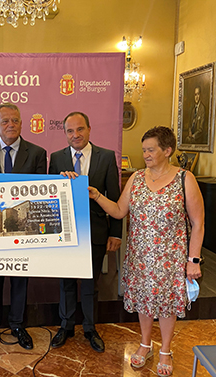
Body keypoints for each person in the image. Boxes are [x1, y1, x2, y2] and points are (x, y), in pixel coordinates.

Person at [88, 126, 204, 376]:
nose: (146, 155)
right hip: (140, 256)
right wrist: (97, 195)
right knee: (144, 302)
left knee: (167, 305)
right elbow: (119, 211)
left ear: (167, 150)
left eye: (151, 150)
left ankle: (165, 351)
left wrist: (193, 260)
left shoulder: (185, 179)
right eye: (144, 150)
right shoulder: (137, 178)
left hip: (171, 257)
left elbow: (198, 223)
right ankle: (144, 345)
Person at [0, 102, 47, 352]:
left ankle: (17, 325)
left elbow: (42, 194)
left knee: (20, 278)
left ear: (21, 123)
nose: (10, 125)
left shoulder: (37, 152)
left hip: (20, 230)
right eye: (5, 121)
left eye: (14, 120)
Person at [48, 111, 122, 353]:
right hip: (65, 234)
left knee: (91, 284)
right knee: (66, 283)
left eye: (80, 129)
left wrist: (116, 233)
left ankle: (90, 328)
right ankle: (66, 326)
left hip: (96, 231)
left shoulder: (107, 156)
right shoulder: (57, 158)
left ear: (89, 129)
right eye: (70, 131)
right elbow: (50, 197)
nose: (75, 135)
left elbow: (116, 197)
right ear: (65, 134)